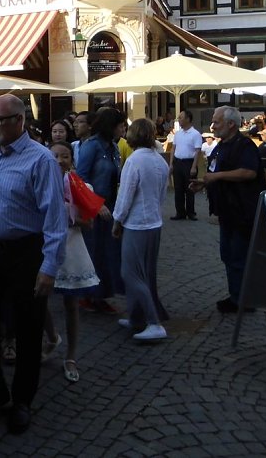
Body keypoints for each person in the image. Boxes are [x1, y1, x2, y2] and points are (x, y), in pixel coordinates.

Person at [0, 94, 66, 435]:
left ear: (19, 121)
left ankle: (22, 399)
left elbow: (54, 219)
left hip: (25, 251)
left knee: (27, 326)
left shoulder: (40, 160)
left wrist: (49, 267)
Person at [189, 106, 266, 313]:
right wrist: (205, 183)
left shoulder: (244, 145)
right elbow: (217, 171)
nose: (212, 126)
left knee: (238, 255)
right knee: (228, 254)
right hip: (227, 212)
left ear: (231, 124)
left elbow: (249, 172)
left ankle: (244, 299)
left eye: (217, 122)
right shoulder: (221, 145)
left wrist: (216, 177)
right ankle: (237, 296)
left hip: (242, 211)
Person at [43, 140, 99, 382]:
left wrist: (71, 217)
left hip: (71, 246)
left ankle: (71, 355)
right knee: (40, 299)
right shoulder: (42, 183)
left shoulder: (80, 185)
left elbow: (90, 223)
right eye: (54, 155)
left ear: (71, 160)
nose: (59, 160)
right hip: (45, 247)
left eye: (64, 156)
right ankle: (53, 336)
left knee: (71, 304)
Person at [111, 119, 170, 342]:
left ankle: (154, 322)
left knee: (130, 273)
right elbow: (162, 193)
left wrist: (117, 221)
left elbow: (125, 195)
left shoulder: (134, 160)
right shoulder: (159, 161)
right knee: (146, 272)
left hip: (137, 224)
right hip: (154, 222)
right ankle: (138, 316)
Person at [76, 107, 125, 314]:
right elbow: (80, 179)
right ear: (110, 126)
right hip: (94, 208)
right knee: (94, 251)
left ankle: (101, 294)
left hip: (110, 206)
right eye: (121, 125)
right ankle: (90, 296)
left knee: (108, 253)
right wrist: (96, 204)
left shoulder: (113, 147)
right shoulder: (92, 146)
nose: (124, 129)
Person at [169, 110, 203, 221]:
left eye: (181, 117)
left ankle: (191, 212)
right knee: (178, 189)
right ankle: (180, 212)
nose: (179, 120)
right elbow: (173, 149)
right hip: (178, 162)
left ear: (188, 119)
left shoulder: (195, 134)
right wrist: (171, 164)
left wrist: (194, 166)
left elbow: (197, 151)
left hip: (189, 163)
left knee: (190, 189)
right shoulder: (178, 134)